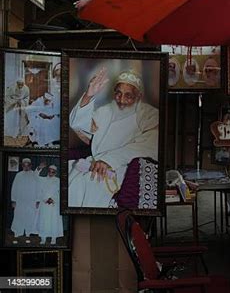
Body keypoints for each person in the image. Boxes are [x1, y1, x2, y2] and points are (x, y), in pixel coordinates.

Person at [68, 68, 159, 208]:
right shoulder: (106, 111)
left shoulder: (148, 114)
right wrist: (89, 94)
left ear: (139, 97)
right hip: (95, 161)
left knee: (91, 184)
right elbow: (79, 124)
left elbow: (149, 145)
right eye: (118, 94)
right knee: (71, 178)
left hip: (121, 167)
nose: (121, 101)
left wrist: (109, 160)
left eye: (128, 96)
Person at [10, 158, 40, 238]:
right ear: (22, 166)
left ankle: (28, 233)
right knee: (18, 216)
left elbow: (38, 188)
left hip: (31, 200)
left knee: (30, 216)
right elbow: (14, 188)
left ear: (30, 166)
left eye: (28, 165)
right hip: (20, 200)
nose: (26, 167)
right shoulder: (18, 175)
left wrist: (37, 200)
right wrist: (13, 200)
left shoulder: (34, 174)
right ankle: (17, 232)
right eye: (24, 165)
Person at [36, 164, 63, 244]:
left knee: (53, 220)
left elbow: (60, 192)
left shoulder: (58, 180)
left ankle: (53, 238)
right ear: (48, 171)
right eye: (50, 171)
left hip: (54, 204)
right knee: (44, 220)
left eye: (53, 172)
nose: (51, 173)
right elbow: (35, 177)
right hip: (44, 203)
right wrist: (39, 168)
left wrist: (53, 199)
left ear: (55, 173)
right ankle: (43, 238)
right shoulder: (43, 180)